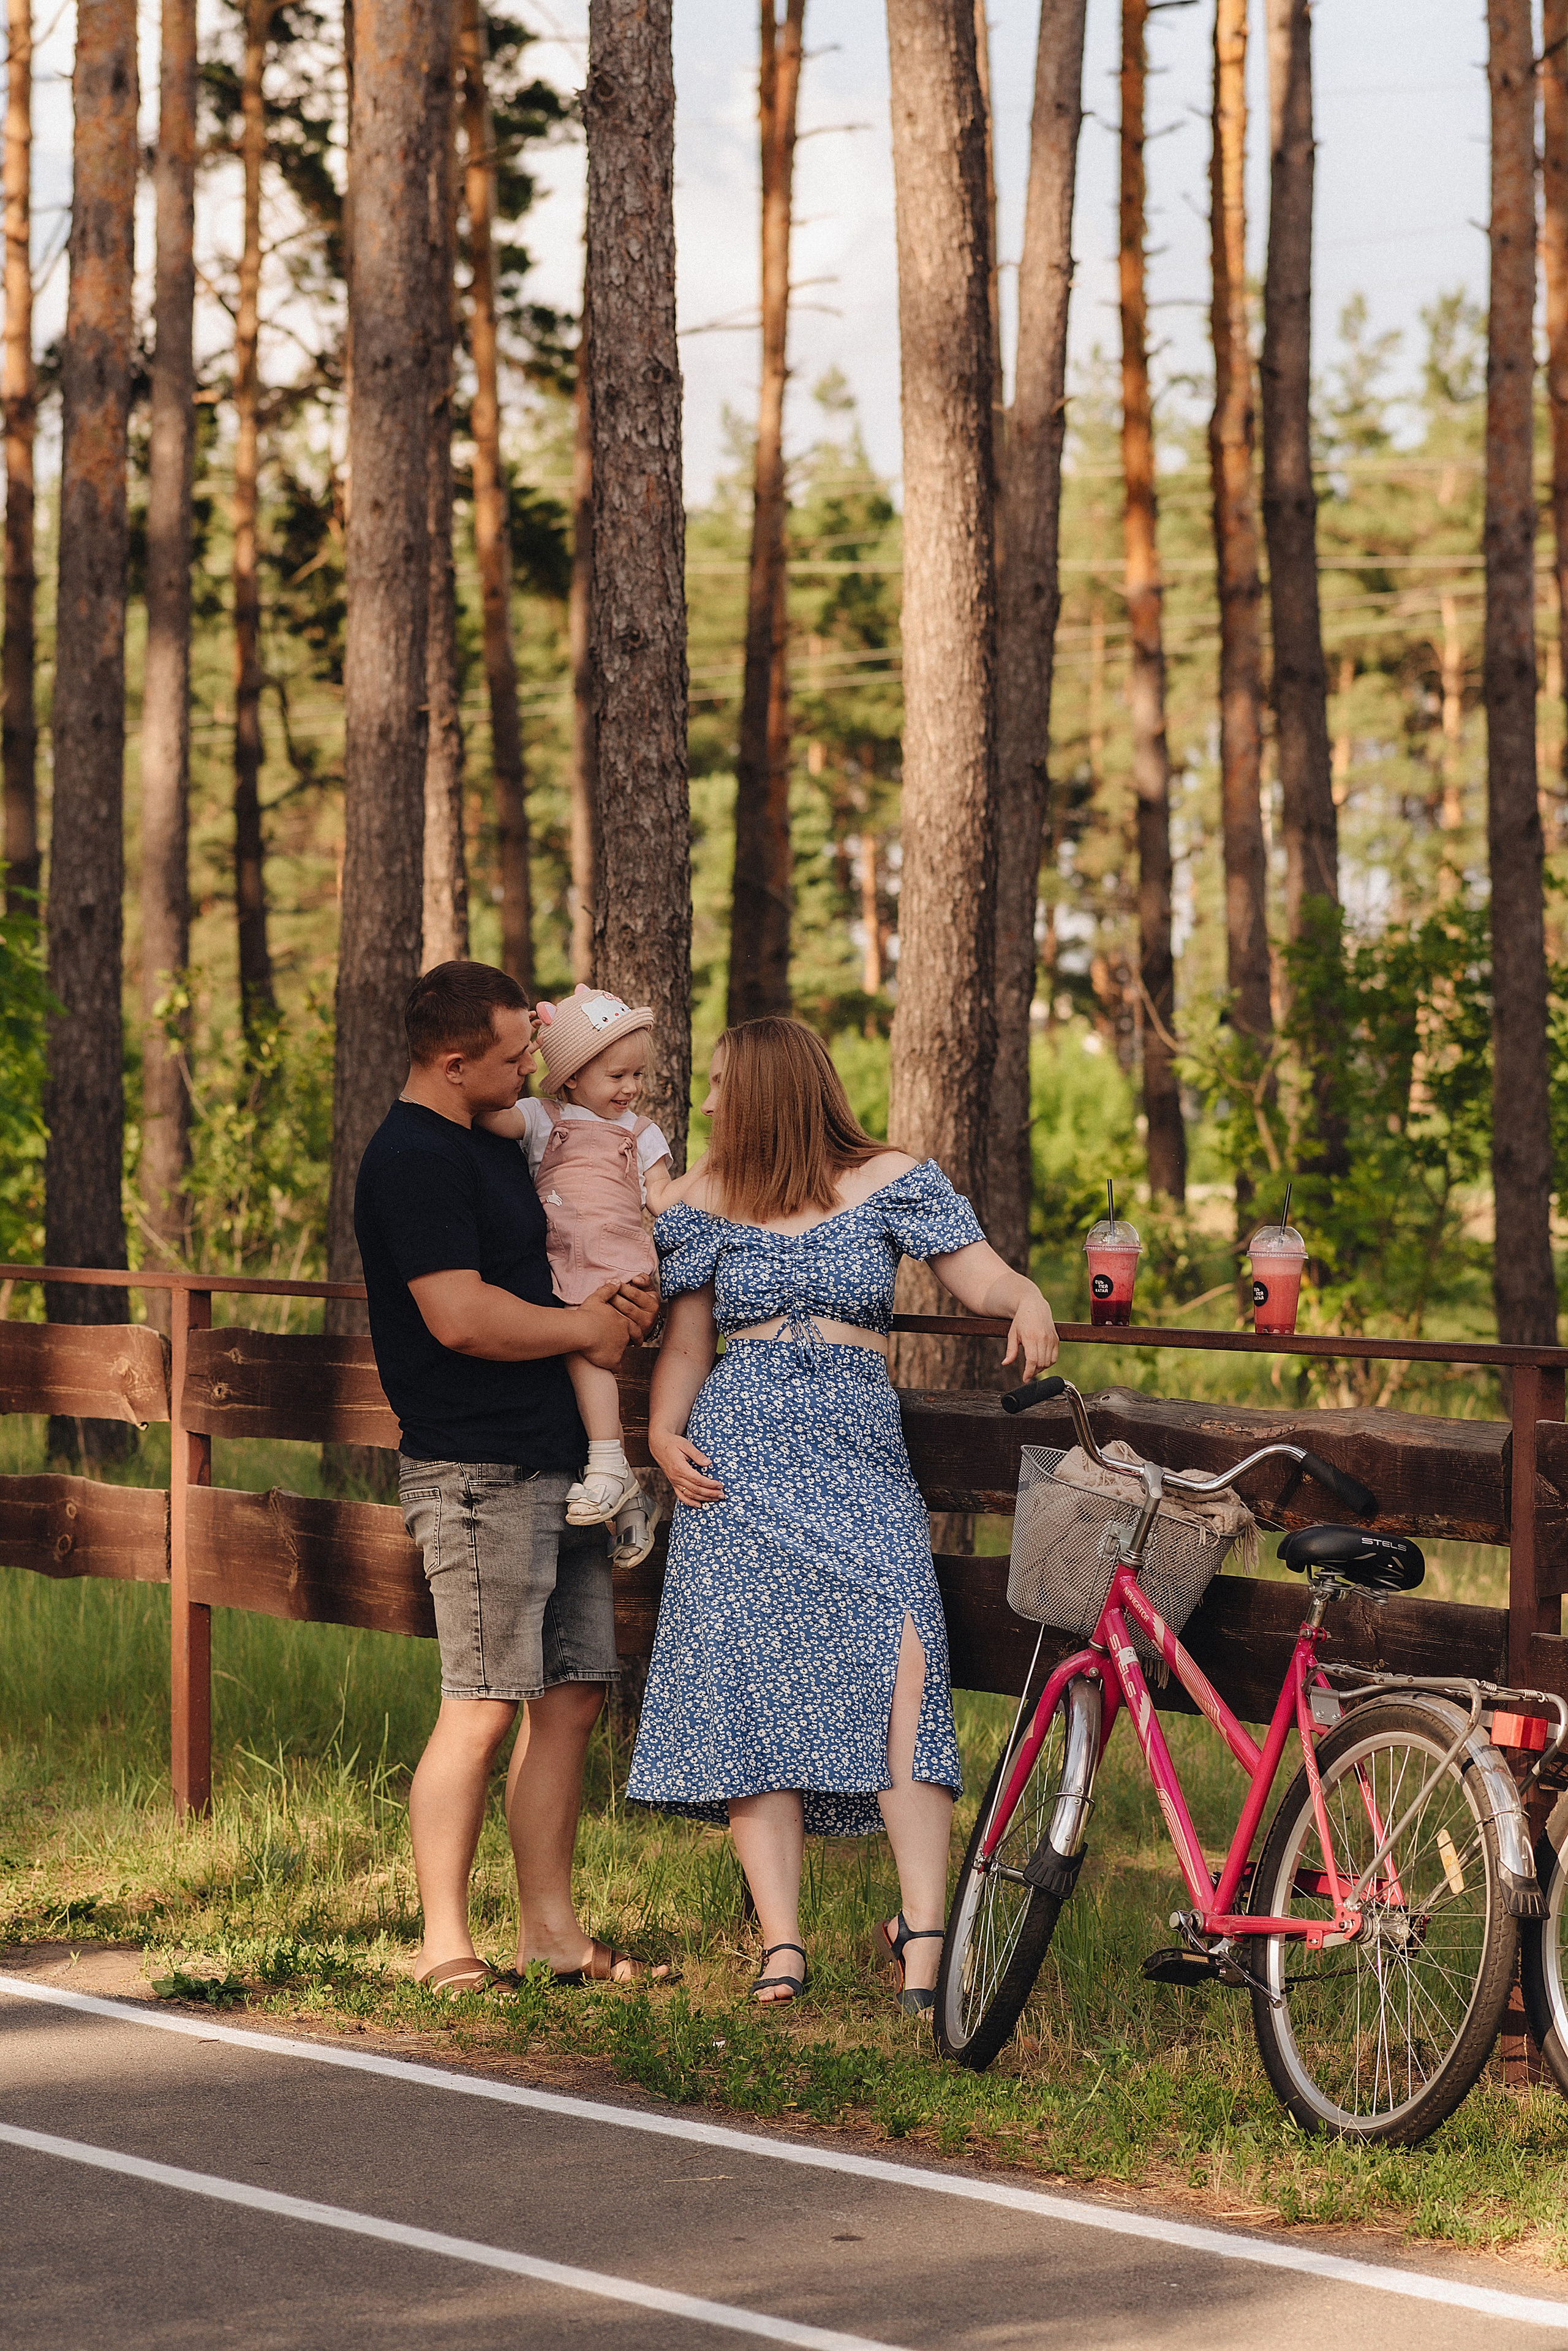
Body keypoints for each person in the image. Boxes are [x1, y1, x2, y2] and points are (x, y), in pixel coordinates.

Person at [625, 1018, 1059, 2010]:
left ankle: (928, 1935)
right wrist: (660, 1432)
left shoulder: (890, 1180)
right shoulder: (698, 1200)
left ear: (773, 1089)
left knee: (907, 1668)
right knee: (751, 1692)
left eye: (723, 1083)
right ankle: (784, 1941)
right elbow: (688, 1342)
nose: (707, 1103)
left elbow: (978, 1270)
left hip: (859, 1466)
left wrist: (1023, 1293)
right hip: (736, 1469)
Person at [354, 959, 668, 1997]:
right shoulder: (411, 1159)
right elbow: (460, 1314)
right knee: (483, 1702)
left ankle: (552, 1933)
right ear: (455, 1064)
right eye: (511, 1053)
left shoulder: (490, 1136)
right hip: (477, 1464)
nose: (529, 1062)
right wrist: (586, 1325)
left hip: (560, 1458)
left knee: (573, 1696)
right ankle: (445, 1940)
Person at [477, 983, 684, 1568]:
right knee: (571, 1357)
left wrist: (711, 1184)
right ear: (570, 1077)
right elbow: (484, 1114)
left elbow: (662, 1197)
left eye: (637, 1076)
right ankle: (622, 1494)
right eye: (617, 1076)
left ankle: (610, 1465)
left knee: (585, 1350)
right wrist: (534, 1048)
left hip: (613, 1259)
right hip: (561, 1259)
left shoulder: (641, 1134)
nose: (632, 1089)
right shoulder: (543, 1120)